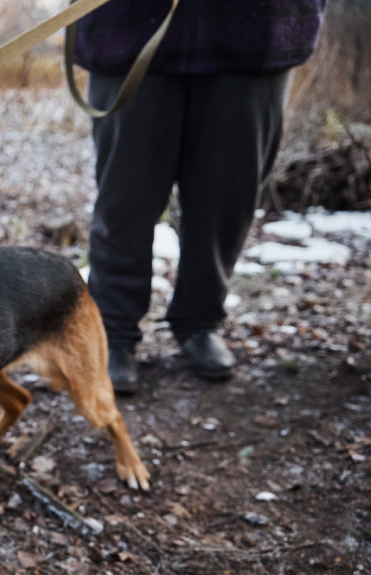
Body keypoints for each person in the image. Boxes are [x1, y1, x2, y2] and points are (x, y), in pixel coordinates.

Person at [73, 0, 326, 394]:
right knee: (124, 200)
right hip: (126, 28)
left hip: (256, 31)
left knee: (228, 198)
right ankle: (114, 331)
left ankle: (200, 320)